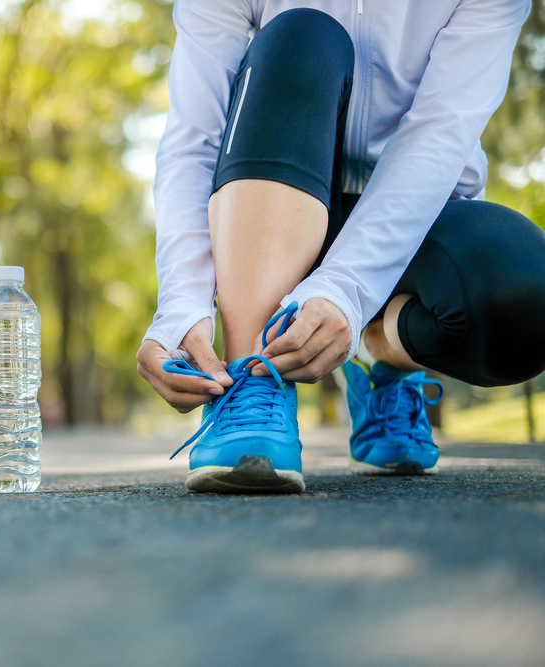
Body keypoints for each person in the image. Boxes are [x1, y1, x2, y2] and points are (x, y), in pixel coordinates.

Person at [136, 1, 545, 495]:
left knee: (524, 297)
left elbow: (440, 129)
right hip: (275, 206)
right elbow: (193, 137)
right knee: (303, 37)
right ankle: (253, 380)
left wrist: (348, 292)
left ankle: (379, 359)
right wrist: (181, 304)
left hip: (416, 216)